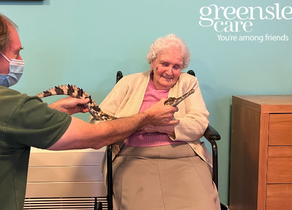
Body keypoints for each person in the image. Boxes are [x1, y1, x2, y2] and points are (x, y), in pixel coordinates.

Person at [0, 6, 178, 210]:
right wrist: (147, 117)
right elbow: (97, 136)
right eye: (15, 54)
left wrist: (52, 112)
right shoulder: (8, 104)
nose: (19, 62)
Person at [91, 34, 221, 210]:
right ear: (152, 62)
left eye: (176, 66)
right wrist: (135, 124)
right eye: (165, 64)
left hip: (183, 157)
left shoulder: (188, 83)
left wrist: (163, 126)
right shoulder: (128, 83)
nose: (170, 71)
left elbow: (199, 123)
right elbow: (97, 122)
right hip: (132, 157)